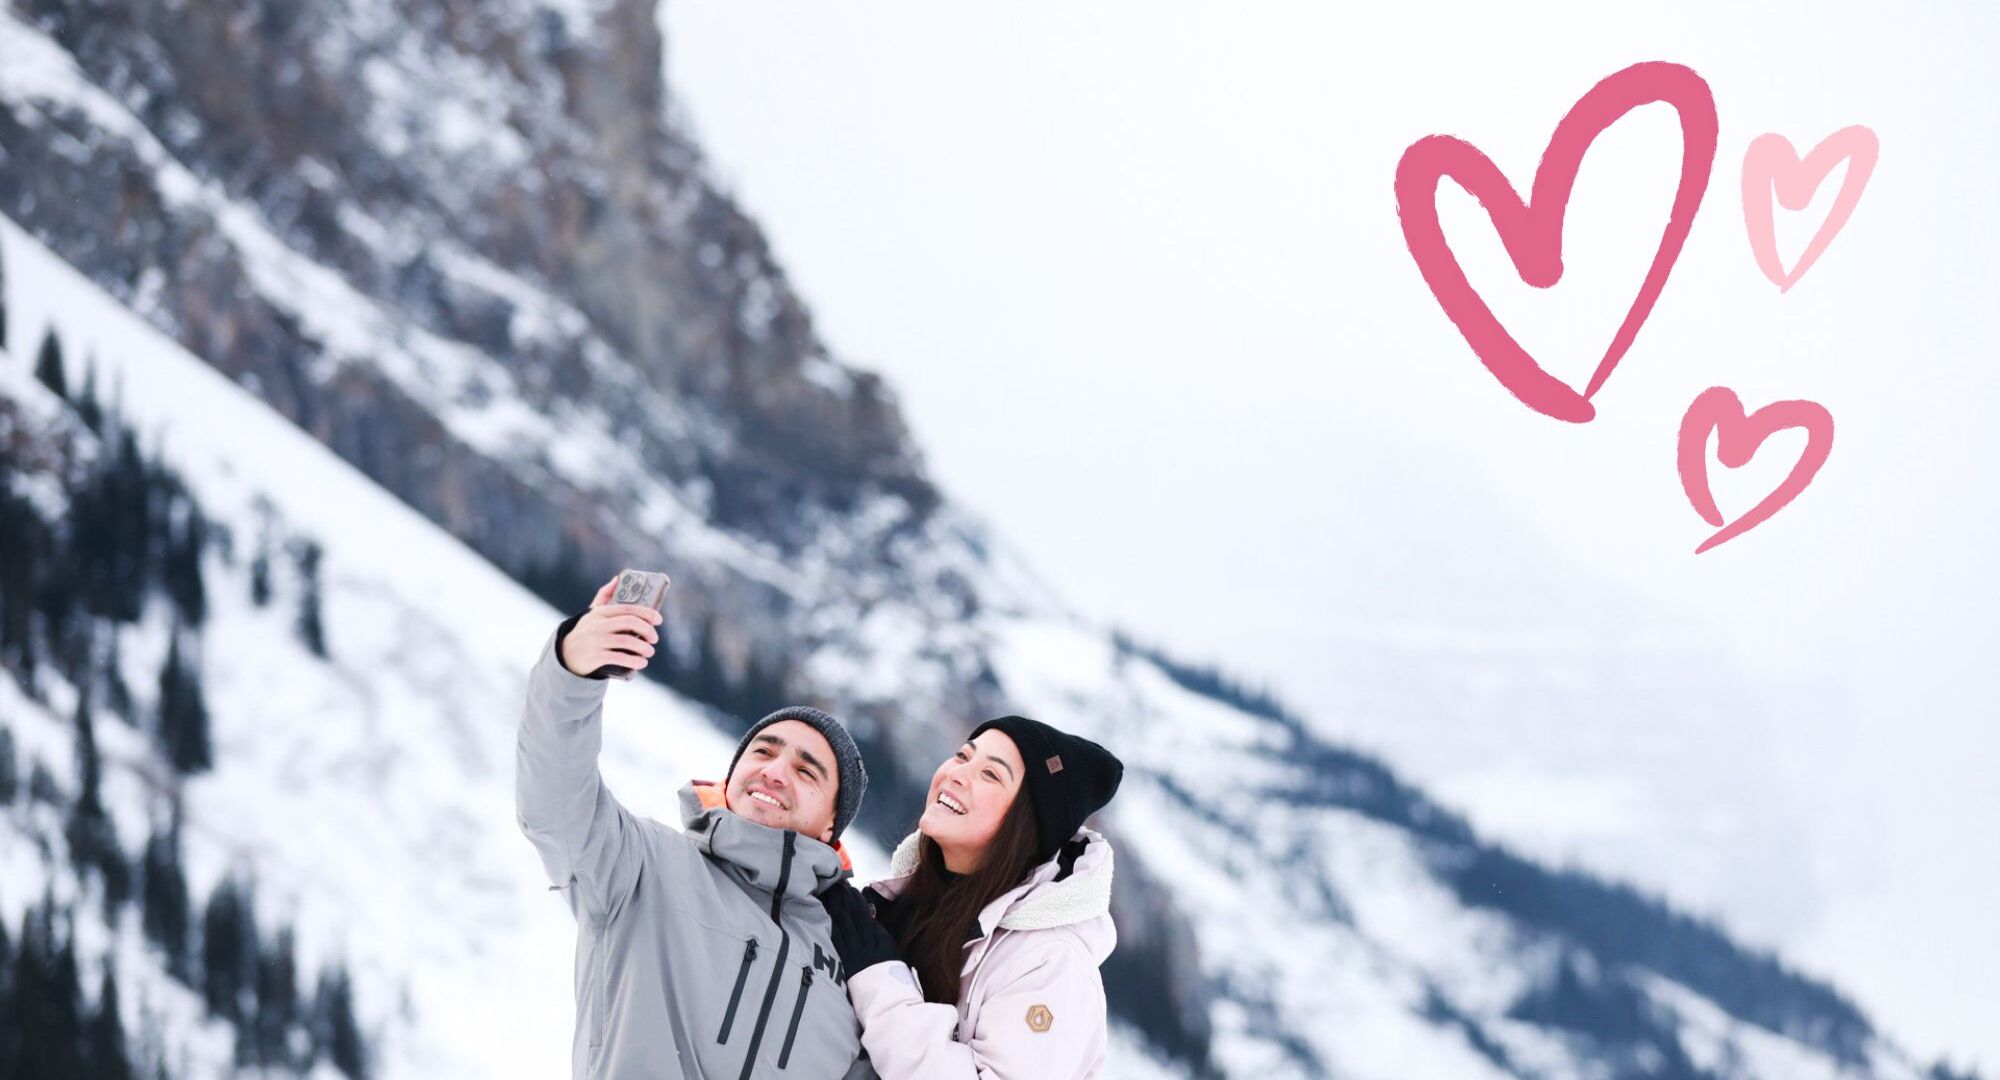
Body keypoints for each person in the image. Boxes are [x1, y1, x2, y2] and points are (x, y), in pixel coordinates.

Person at [517, 575, 874, 1079]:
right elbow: (554, 798)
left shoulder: (853, 958)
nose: (774, 771)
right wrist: (573, 670)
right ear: (732, 777)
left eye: (806, 770)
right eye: (764, 751)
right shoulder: (642, 865)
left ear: (832, 824)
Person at [818, 715, 1125, 1079]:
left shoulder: (1050, 962)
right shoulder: (894, 908)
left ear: (1027, 824)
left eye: (991, 774)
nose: (956, 773)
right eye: (963, 756)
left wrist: (879, 981)